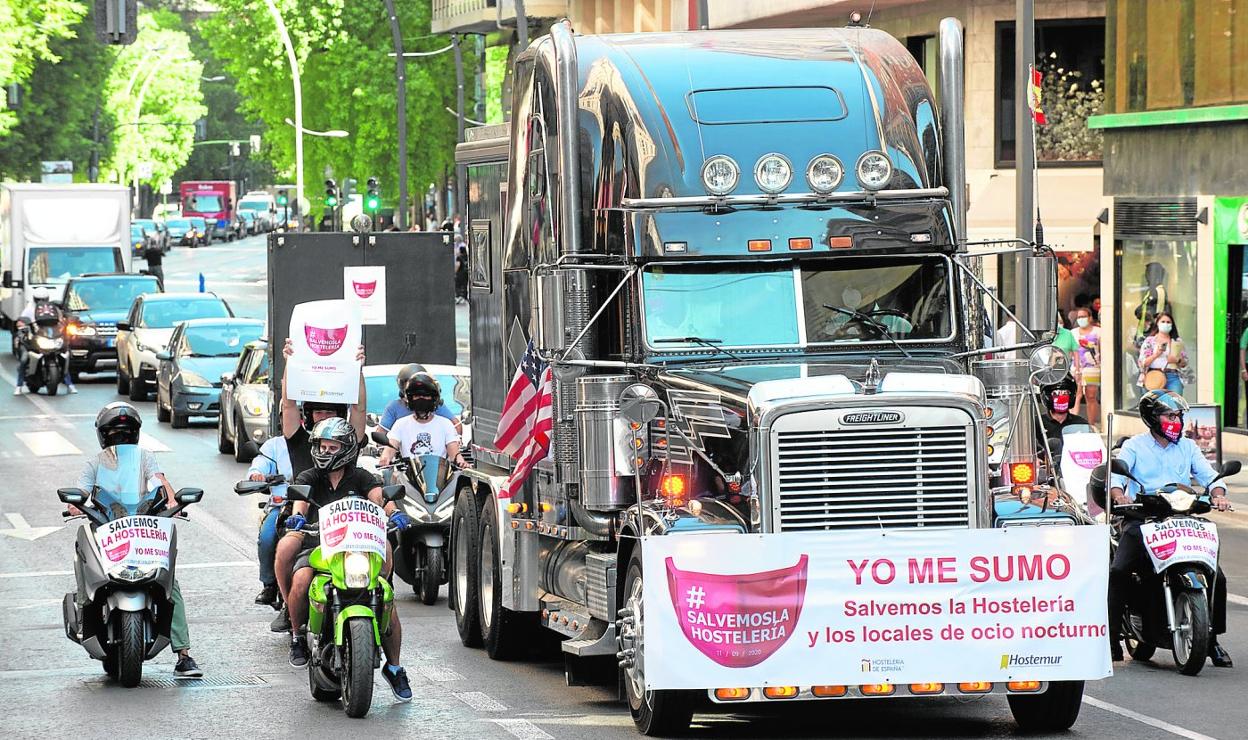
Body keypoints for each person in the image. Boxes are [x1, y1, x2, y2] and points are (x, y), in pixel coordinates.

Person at [283, 417, 414, 702]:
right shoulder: (309, 477)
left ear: (346, 449)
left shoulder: (362, 477)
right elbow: (300, 503)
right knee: (301, 579)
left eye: (332, 447)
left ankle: (394, 667)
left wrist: (394, 513)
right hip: (319, 546)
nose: (325, 452)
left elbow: (380, 498)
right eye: (322, 446)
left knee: (384, 594)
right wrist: (297, 516)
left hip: (358, 547)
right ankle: (297, 637)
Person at [71, 402, 202, 677]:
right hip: (106, 530)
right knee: (85, 560)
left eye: (125, 432)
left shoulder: (145, 458)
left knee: (168, 582)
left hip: (141, 530)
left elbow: (159, 483)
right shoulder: (94, 463)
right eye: (115, 433)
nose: (120, 438)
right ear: (104, 435)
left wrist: (172, 500)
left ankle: (184, 654)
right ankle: (85, 617)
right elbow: (80, 493)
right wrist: (76, 503)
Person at [1107, 390, 1232, 666]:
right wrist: (1119, 496)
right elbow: (1116, 479)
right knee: (1119, 571)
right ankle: (1112, 637)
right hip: (1143, 518)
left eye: (1178, 416)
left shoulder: (1188, 447)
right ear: (1153, 418)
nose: (1176, 421)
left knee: (1217, 576)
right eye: (1170, 416)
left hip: (1180, 518)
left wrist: (1219, 494)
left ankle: (1212, 640)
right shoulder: (1135, 446)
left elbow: (1211, 478)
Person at [269, 337, 367, 631]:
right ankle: (287, 605)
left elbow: (360, 410)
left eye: (330, 413)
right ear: (309, 415)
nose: (324, 418)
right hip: (306, 515)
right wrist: (290, 362)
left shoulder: (349, 440)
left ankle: (376, 597)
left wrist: (357, 369)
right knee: (274, 540)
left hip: (350, 519)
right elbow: (288, 404)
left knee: (387, 545)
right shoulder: (299, 439)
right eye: (318, 413)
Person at [381, 372, 467, 469]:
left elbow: (455, 454)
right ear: (410, 399)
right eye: (417, 396)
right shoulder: (400, 424)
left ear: (433, 398)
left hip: (439, 475)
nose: (421, 399)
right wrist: (385, 458)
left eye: (426, 395)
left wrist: (462, 463)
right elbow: (391, 446)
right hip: (410, 475)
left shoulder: (445, 424)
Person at [246, 434, 292, 607]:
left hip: (317, 506)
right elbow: (260, 463)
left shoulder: (326, 444)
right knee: (267, 536)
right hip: (282, 506)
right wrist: (256, 474)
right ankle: (269, 584)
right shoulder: (274, 445)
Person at [13, 286, 77, 395]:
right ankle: (19, 385)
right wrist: (22, 326)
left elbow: (61, 319)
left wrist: (66, 324)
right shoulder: (29, 309)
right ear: (35, 299)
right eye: (39, 299)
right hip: (33, 339)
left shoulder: (52, 309)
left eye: (44, 299)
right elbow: (20, 322)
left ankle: (70, 384)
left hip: (51, 337)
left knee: (64, 354)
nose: (41, 301)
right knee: (24, 358)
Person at [378, 363, 461, 435]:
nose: (421, 400)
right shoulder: (397, 416)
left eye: (425, 395)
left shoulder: (436, 406)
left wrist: (452, 443)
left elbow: (456, 425)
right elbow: (381, 433)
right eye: (415, 395)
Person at [1036, 374, 1088, 459]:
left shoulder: (1081, 424)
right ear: (1047, 396)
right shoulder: (1037, 424)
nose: (1061, 397)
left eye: (1065, 393)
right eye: (1056, 393)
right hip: (1046, 466)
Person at [1137, 313, 1187, 395]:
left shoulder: (1177, 342)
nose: (1165, 324)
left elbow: (1185, 363)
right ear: (1157, 323)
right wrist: (1156, 354)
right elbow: (1143, 363)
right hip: (1153, 376)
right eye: (1163, 321)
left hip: (1172, 376)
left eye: (1168, 322)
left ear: (1172, 324)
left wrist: (1177, 360)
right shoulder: (1149, 341)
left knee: (1174, 401)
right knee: (1154, 402)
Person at [1071, 306, 1101, 426]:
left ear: (1090, 317)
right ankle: (1073, 423)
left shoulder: (1098, 331)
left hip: (1093, 368)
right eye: (1079, 317)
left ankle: (1091, 424)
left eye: (1083, 316)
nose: (1081, 319)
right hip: (1076, 367)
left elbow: (1103, 350)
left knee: (1091, 396)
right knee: (1076, 395)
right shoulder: (1073, 333)